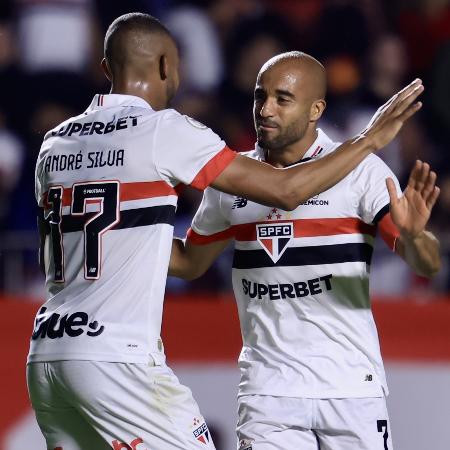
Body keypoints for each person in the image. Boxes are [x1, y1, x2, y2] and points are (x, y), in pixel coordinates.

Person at [27, 11, 425, 450]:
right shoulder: (164, 130)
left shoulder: (55, 143)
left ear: (106, 68)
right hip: (117, 358)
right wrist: (369, 139)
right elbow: (287, 189)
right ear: (166, 66)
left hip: (47, 355)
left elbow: (147, 246)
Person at [169, 51, 441, 450]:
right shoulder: (232, 180)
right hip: (268, 393)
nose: (265, 109)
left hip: (350, 389)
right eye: (260, 96)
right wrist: (128, 238)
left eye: (282, 99)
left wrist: (416, 236)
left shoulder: (361, 172)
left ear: (316, 109)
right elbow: (191, 262)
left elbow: (427, 263)